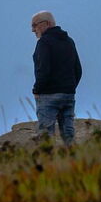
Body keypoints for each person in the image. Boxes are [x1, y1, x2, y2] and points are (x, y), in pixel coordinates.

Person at [30, 11, 83, 146]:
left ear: (46, 24)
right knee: (68, 134)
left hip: (48, 96)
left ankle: (48, 164)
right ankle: (73, 161)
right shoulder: (69, 41)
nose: (32, 30)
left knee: (46, 135)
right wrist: (69, 88)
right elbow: (78, 70)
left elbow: (43, 70)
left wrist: (37, 90)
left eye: (34, 25)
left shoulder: (44, 43)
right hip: (68, 95)